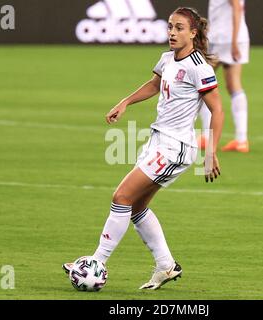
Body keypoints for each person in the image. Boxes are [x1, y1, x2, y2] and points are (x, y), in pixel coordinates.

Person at [62, 7, 224, 290]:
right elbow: (154, 85)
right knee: (137, 207)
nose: (172, 33)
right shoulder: (167, 58)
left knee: (122, 195)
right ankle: (166, 265)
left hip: (177, 147)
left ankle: (96, 263)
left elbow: (217, 109)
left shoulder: (199, 68)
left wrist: (211, 152)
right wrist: (125, 102)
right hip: (159, 141)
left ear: (194, 33)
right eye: (170, 27)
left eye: (180, 28)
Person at [198, 0, 250, 153]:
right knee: (233, 85)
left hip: (223, 39)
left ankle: (207, 137)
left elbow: (237, 8)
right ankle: (241, 140)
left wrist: (233, 41)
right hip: (231, 37)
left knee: (202, 83)